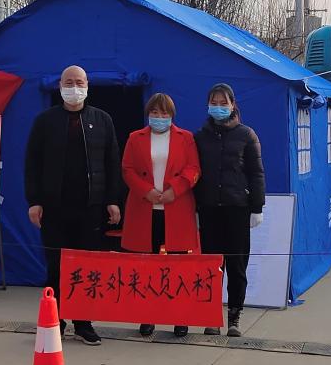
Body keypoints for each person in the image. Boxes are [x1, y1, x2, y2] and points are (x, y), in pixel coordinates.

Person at [24, 65, 123, 346]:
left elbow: (112, 163)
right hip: (54, 208)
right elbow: (32, 164)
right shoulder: (45, 121)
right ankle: (54, 321)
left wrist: (113, 200)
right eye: (69, 82)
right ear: (60, 86)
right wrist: (34, 201)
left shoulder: (102, 120)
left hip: (90, 207)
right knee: (55, 267)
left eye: (79, 82)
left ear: (88, 86)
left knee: (86, 267)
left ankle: (83, 323)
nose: (74, 87)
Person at [120, 93, 201, 338]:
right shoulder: (135, 138)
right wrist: (147, 191)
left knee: (178, 267)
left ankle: (180, 317)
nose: (159, 117)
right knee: (147, 267)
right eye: (154, 112)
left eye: (164, 113)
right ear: (148, 114)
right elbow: (127, 170)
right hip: (145, 209)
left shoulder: (186, 138)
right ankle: (147, 316)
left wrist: (174, 190)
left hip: (176, 208)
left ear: (171, 115)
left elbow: (194, 169)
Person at [194, 83, 265, 337]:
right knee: (212, 266)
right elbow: (195, 174)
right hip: (209, 209)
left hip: (237, 208)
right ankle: (211, 317)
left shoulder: (246, 135)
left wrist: (257, 207)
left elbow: (256, 173)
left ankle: (234, 317)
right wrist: (195, 207)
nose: (219, 107)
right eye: (214, 103)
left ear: (233, 105)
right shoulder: (200, 137)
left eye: (223, 103)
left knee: (236, 265)